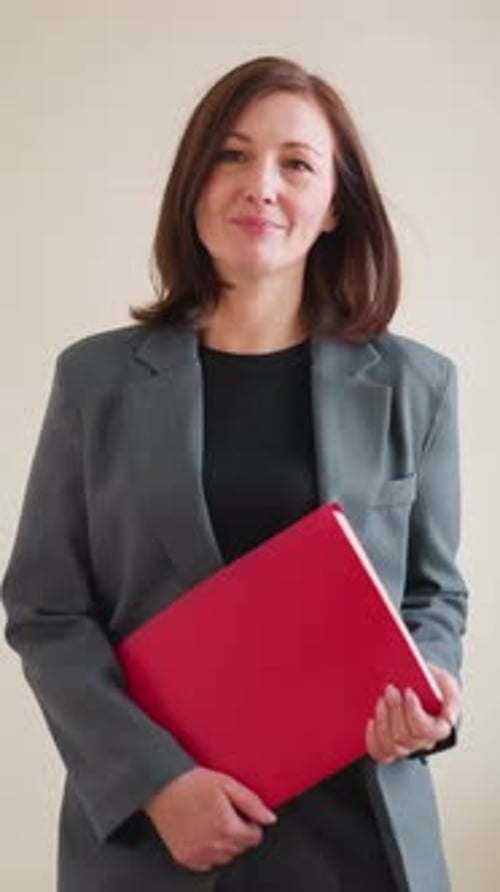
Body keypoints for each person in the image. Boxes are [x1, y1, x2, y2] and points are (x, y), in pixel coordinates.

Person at [2, 55, 467, 892]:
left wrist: (431, 683)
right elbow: (46, 609)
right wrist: (156, 784)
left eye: (297, 164)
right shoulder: (94, 381)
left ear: (334, 207)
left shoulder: (416, 386)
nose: (261, 185)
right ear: (195, 183)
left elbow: (433, 594)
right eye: (233, 155)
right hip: (157, 846)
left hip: (360, 844)